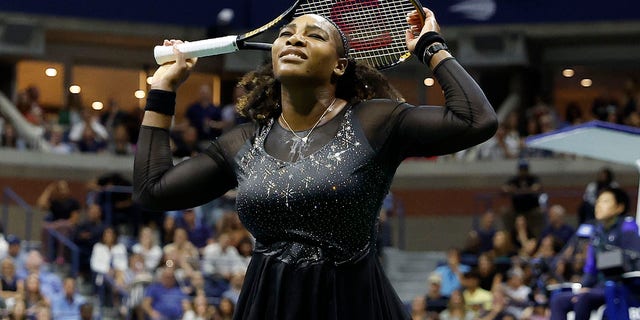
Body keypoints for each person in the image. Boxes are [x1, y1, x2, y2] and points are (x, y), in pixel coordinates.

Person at [133, 7, 497, 319]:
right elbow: (152, 190)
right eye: (287, 34)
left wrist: (431, 48)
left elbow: (475, 120)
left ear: (339, 66)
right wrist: (163, 91)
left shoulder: (375, 122)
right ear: (274, 54)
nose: (294, 39)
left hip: (352, 304)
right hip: (268, 305)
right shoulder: (243, 141)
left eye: (314, 35)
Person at [549, 187, 640, 320]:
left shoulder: (627, 227)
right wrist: (584, 287)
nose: (598, 205)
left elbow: (634, 258)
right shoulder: (596, 233)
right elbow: (591, 268)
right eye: (598, 201)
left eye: (605, 201)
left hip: (621, 286)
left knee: (584, 299)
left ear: (619, 207)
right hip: (598, 288)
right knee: (559, 300)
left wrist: (607, 259)